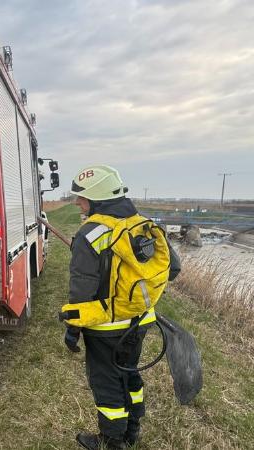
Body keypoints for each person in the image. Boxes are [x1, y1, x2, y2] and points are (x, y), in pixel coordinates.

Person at [61, 165, 181, 449]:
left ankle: (112, 441)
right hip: (140, 321)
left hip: (105, 328)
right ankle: (132, 430)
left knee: (106, 382)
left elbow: (81, 290)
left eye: (82, 197)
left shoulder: (89, 233)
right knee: (128, 371)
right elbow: (173, 268)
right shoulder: (143, 224)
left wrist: (72, 329)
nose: (77, 202)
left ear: (97, 199)